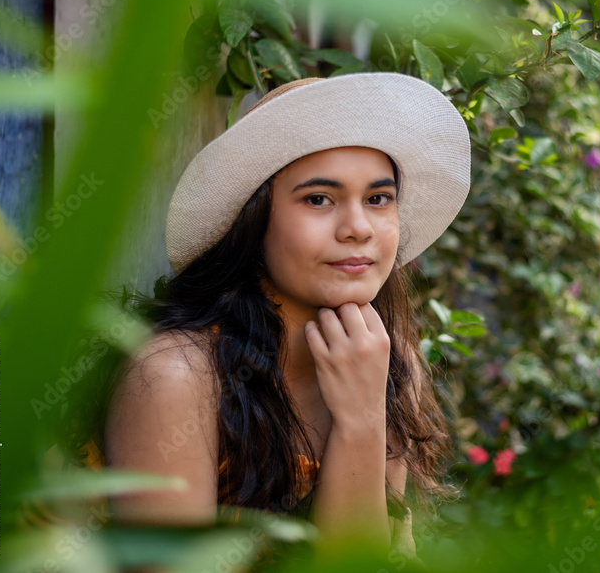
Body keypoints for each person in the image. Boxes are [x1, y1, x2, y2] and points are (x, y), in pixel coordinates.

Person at [93, 72, 471, 558]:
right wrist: (358, 422)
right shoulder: (176, 378)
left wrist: (362, 420)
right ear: (255, 220)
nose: (358, 228)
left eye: (378, 199)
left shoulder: (386, 363)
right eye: (319, 199)